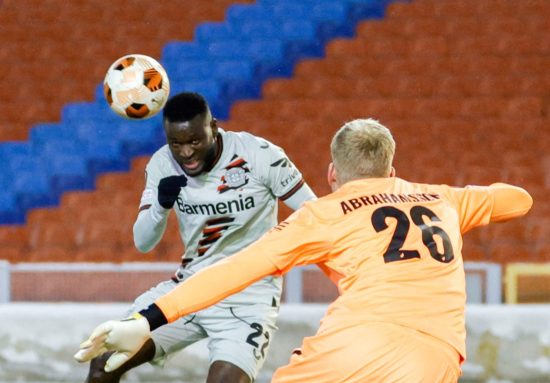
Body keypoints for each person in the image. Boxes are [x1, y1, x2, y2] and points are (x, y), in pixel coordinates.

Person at [75, 118, 533, 383]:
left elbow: (234, 271)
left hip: (357, 343)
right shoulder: (442, 199)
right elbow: (518, 198)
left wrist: (146, 319)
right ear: (393, 167)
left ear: (332, 173)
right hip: (438, 355)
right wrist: (456, 194)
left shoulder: (323, 214)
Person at [79, 92, 316, 383]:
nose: (186, 153)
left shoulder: (259, 155)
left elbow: (315, 215)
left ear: (213, 127)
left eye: (194, 141)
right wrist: (161, 208)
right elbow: (143, 242)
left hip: (248, 298)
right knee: (103, 366)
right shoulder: (162, 165)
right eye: (176, 143)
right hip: (189, 289)